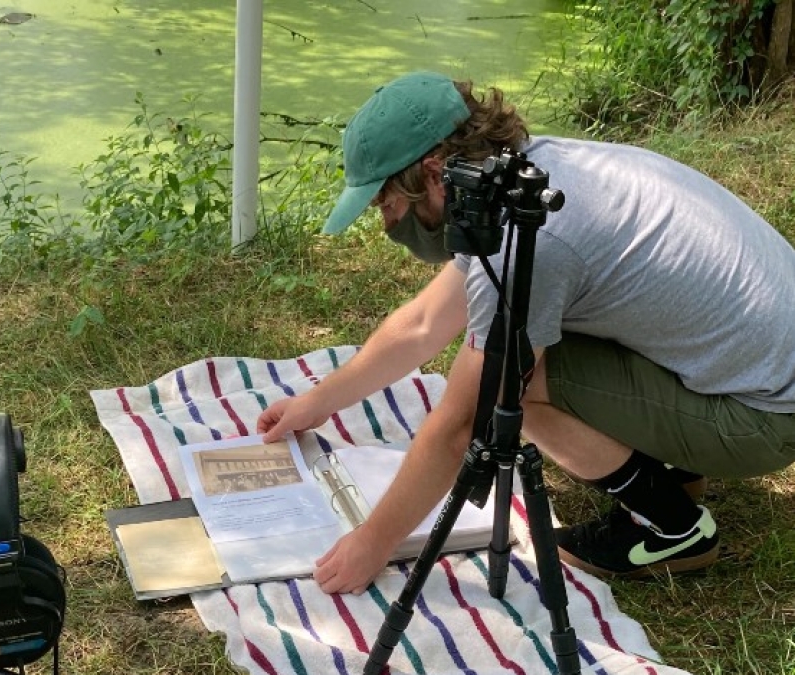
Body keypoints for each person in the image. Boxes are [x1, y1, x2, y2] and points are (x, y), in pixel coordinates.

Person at [257, 70, 795, 595]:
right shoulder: (526, 174)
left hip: (764, 416)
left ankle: (673, 526)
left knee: (513, 391)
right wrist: (318, 401)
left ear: (434, 173)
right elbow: (423, 324)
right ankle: (673, 467)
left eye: (388, 205)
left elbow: (463, 421)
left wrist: (373, 542)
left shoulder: (528, 238)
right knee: (519, 353)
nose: (386, 225)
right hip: (756, 372)